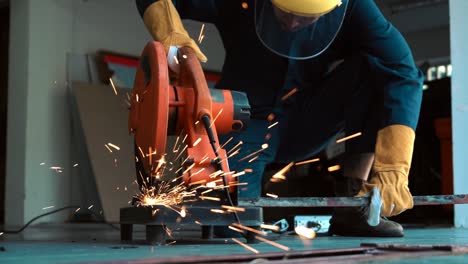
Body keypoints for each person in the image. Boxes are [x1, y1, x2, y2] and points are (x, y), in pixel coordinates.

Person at [135, 0, 424, 237]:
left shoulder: (354, 7)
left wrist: (395, 166)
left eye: (305, 18)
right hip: (242, 120)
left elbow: (404, 72)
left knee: (376, 67)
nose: (294, 23)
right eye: (286, 11)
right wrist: (171, 33)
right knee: (230, 226)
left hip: (308, 119)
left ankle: (353, 203)